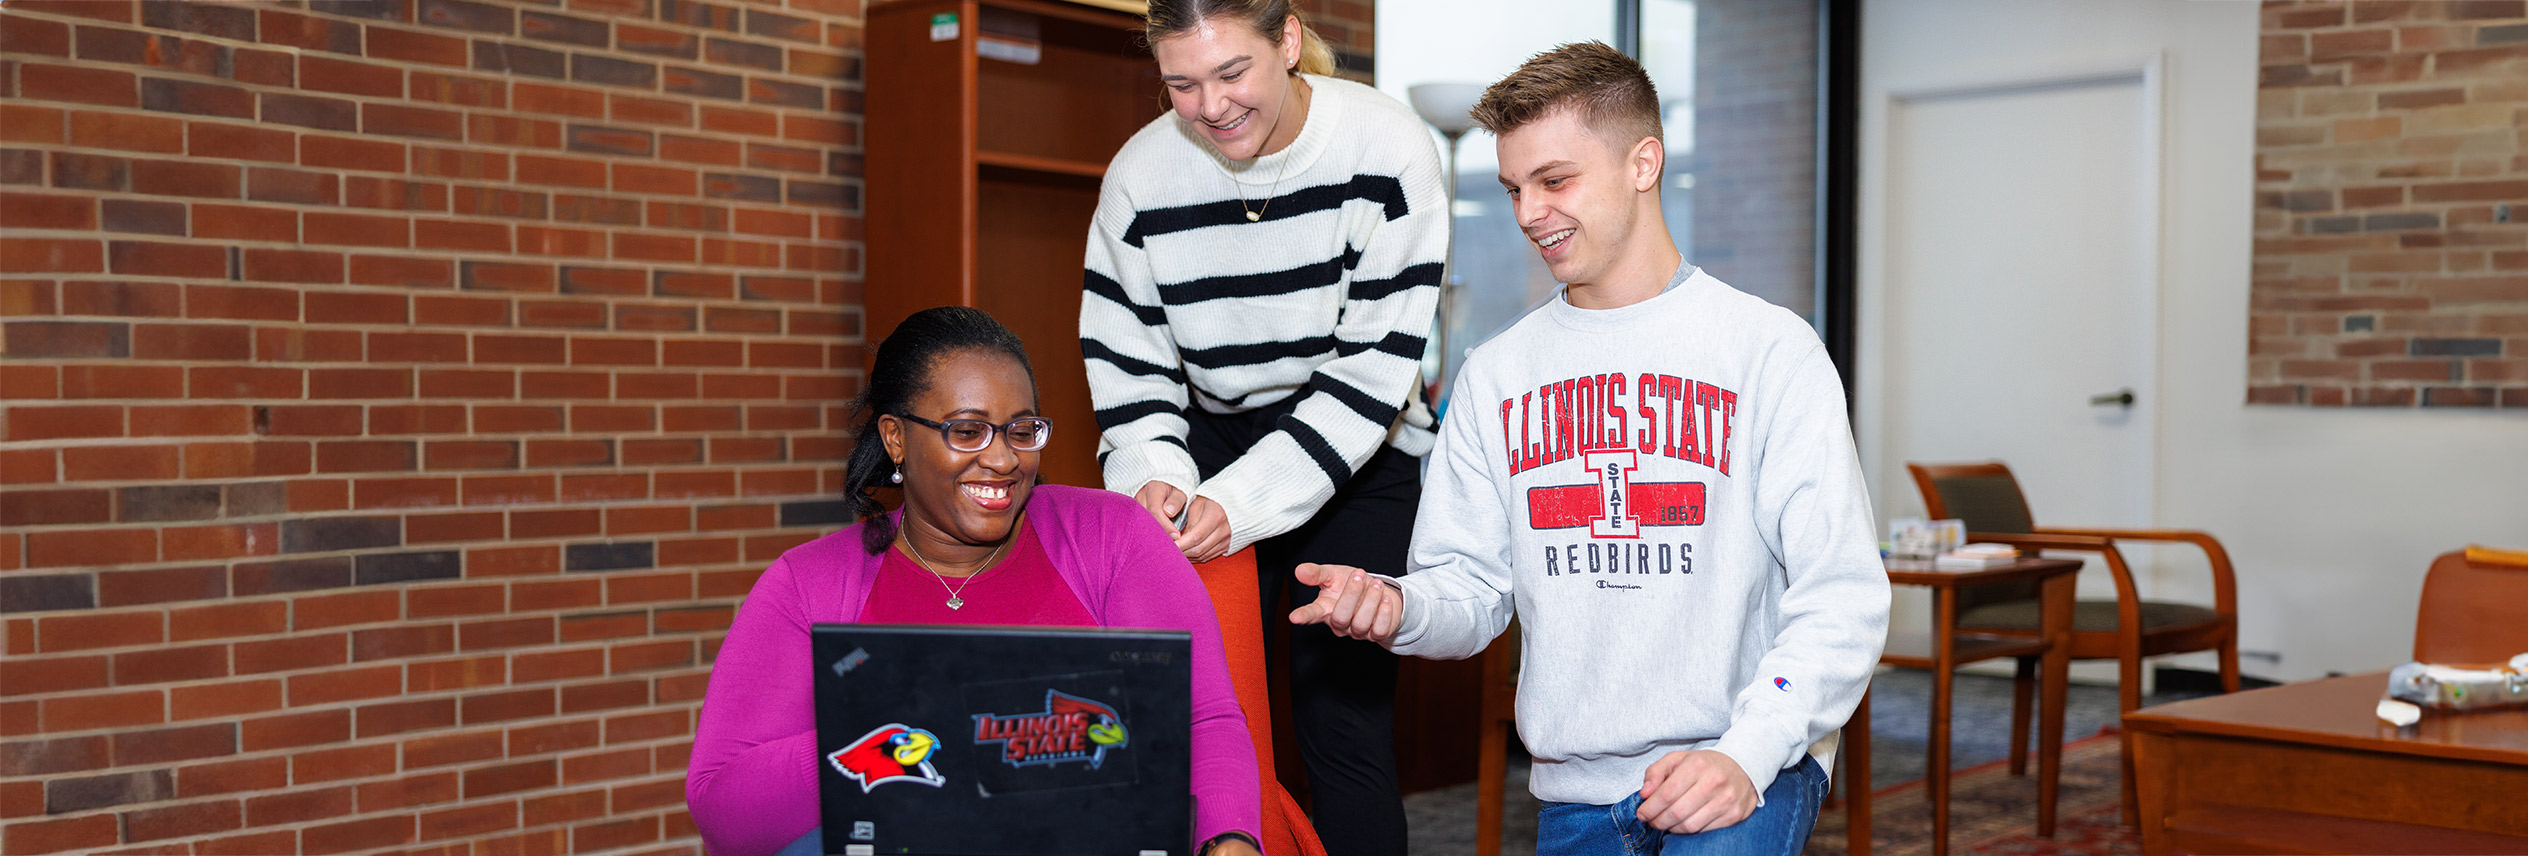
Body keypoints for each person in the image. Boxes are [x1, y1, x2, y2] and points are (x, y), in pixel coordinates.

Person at [1288, 43, 1891, 856]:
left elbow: (1841, 595)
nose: (1529, 211)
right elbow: (1471, 590)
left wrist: (1745, 753)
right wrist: (1399, 609)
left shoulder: (1767, 351)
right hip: (1575, 786)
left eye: (1555, 180)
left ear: (1644, 162)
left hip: (1741, 761)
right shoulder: (1496, 374)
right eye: (1513, 188)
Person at [686, 307, 1261, 856]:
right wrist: (897, 734)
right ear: (896, 438)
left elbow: (1201, 718)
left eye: (1020, 430)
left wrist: (1229, 839)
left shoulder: (1114, 537)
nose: (1004, 459)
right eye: (967, 431)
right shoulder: (807, 584)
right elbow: (723, 802)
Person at [1077, 1, 1448, 852]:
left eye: (1232, 72)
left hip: (1362, 443)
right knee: (1206, 719)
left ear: (1286, 41)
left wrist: (1239, 505)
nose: (1210, 106)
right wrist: (1153, 484)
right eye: (1181, 83)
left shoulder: (1386, 151)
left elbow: (1368, 376)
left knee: (1341, 729)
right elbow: (1129, 362)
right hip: (1206, 439)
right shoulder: (1140, 174)